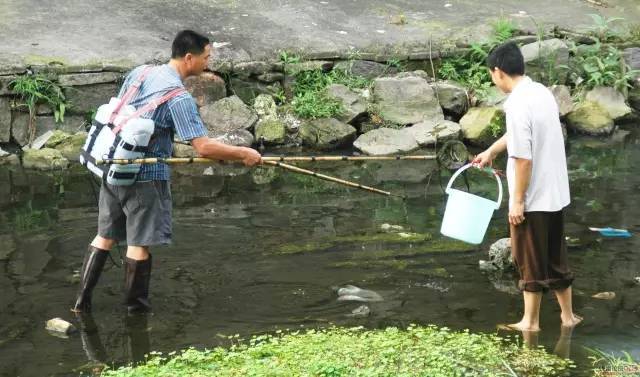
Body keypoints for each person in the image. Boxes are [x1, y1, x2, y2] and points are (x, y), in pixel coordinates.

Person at [72, 30, 262, 314]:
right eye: (206, 57)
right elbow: (203, 147)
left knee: (105, 236)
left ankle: (80, 304)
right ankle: (135, 314)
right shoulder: (178, 97)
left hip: (114, 167)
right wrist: (243, 153)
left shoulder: (140, 72)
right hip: (146, 178)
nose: (208, 64)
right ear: (189, 58)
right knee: (138, 244)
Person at [473, 42, 581, 332]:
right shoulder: (540, 92)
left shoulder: (518, 104)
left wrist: (518, 201)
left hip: (534, 196)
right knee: (555, 255)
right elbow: (520, 135)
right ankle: (568, 316)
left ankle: (530, 323)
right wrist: (492, 151)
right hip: (555, 193)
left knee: (528, 258)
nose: (492, 79)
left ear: (497, 71)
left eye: (490, 74)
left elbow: (522, 158)